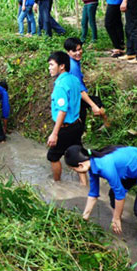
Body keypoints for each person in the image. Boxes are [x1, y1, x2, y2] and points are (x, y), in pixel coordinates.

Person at [64, 145, 137, 248]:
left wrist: (115, 218)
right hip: (133, 167)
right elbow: (93, 194)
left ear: (80, 165)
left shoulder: (105, 166)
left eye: (74, 169)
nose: (76, 172)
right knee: (112, 194)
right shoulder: (92, 163)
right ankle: (119, 219)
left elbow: (120, 195)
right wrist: (84, 218)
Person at [46, 51, 86, 185]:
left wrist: (54, 134)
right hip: (77, 124)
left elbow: (62, 111)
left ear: (61, 66)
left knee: (53, 156)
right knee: (76, 154)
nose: (49, 68)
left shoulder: (60, 85)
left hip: (66, 127)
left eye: (52, 65)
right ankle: (84, 184)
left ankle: (57, 184)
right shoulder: (74, 79)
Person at [64, 38, 109, 129]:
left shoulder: (72, 61)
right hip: (74, 99)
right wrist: (93, 106)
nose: (78, 53)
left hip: (73, 97)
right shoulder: (72, 67)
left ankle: (106, 124)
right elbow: (80, 91)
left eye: (79, 49)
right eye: (74, 51)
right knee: (94, 105)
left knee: (95, 102)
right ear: (68, 52)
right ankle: (107, 125)